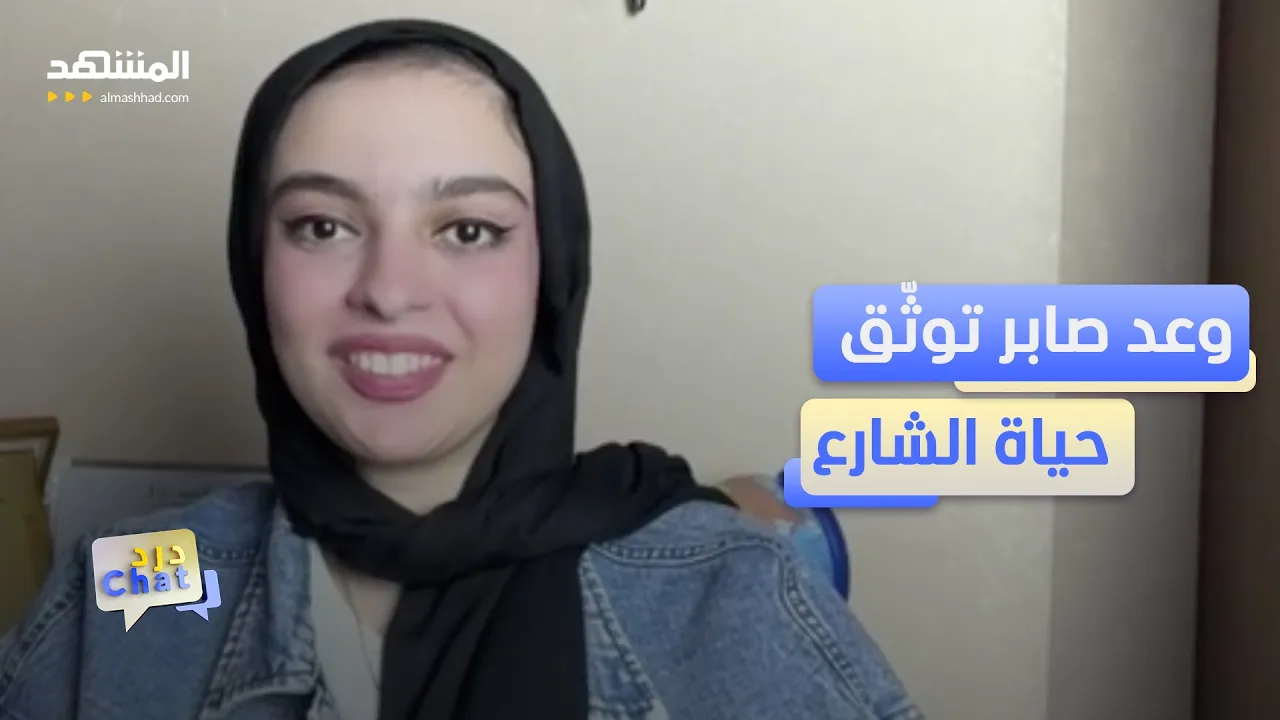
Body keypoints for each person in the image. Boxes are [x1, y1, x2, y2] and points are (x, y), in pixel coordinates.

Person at [0, 19, 921, 720]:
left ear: (551, 274)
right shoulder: (120, 585)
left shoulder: (735, 597)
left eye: (469, 230)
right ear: (253, 264)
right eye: (323, 226)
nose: (389, 291)